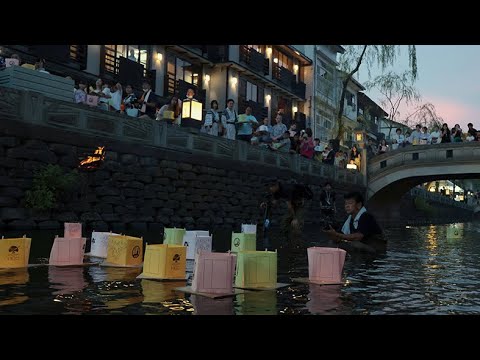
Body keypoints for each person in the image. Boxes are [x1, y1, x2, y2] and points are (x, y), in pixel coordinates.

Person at [260, 179, 313, 247]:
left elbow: (289, 206)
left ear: (276, 186)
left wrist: (295, 218)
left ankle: (299, 245)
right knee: (284, 224)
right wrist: (266, 204)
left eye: (271, 187)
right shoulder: (277, 191)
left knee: (295, 224)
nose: (269, 189)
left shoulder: (286, 189)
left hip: (302, 202)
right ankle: (289, 243)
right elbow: (274, 203)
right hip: (293, 204)